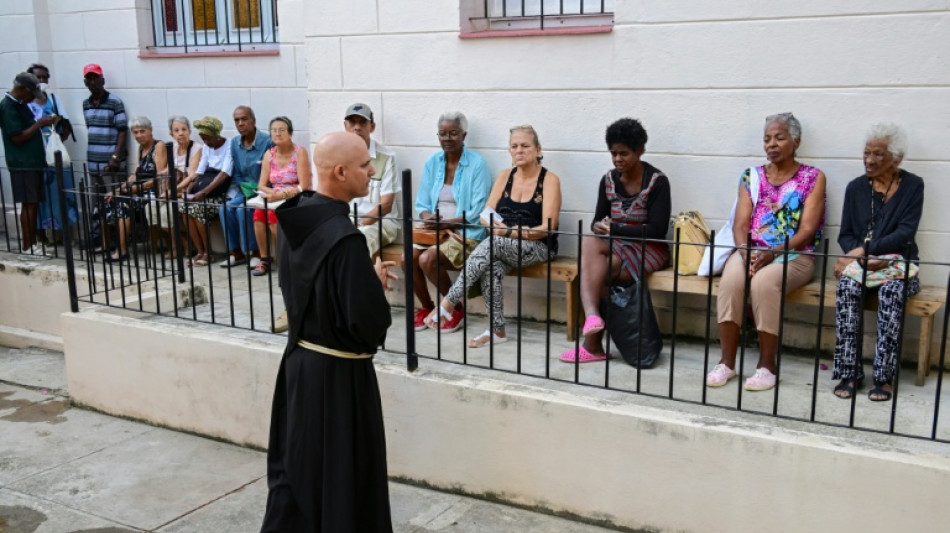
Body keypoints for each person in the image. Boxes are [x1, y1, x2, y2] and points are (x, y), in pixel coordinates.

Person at [260, 131, 397, 532]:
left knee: (303, 474)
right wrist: (371, 283)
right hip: (340, 380)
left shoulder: (293, 219)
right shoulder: (345, 240)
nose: (372, 172)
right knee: (342, 478)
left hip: (300, 365)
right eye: (364, 166)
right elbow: (367, 325)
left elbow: (306, 288)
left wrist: (359, 279)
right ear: (340, 172)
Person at [706, 113, 826, 392]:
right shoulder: (752, 176)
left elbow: (807, 230)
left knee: (763, 283)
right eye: (767, 139)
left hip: (796, 255)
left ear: (796, 141)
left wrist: (771, 254)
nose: (772, 144)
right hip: (751, 251)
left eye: (779, 137)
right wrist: (746, 252)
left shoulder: (813, 177)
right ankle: (726, 362)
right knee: (731, 281)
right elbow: (741, 224)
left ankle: (766, 366)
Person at [425, 125, 561, 348]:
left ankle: (449, 301)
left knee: (492, 243)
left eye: (525, 146)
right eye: (514, 146)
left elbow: (547, 227)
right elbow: (485, 214)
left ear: (538, 149)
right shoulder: (505, 176)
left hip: (538, 247)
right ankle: (496, 330)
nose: (519, 150)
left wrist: (506, 231)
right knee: (491, 266)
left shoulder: (549, 180)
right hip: (502, 245)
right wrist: (494, 226)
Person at [559, 118, 671, 363]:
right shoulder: (608, 180)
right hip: (617, 247)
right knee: (590, 242)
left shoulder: (657, 182)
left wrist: (616, 228)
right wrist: (599, 227)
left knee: (596, 273)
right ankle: (592, 318)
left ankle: (593, 344)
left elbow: (657, 230)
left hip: (649, 248)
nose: (618, 159)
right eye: (614, 153)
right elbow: (598, 220)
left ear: (639, 151)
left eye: (624, 153)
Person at [832, 124, 924, 402]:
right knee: (847, 288)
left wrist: (867, 252)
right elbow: (845, 234)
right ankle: (849, 373)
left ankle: (883, 378)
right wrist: (861, 257)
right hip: (862, 267)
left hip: (899, 265)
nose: (869, 160)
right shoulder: (855, 189)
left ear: (895, 160)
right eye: (866, 153)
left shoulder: (913, 186)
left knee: (892, 293)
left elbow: (905, 233)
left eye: (878, 154)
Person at [411, 111, 492, 332]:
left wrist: (447, 224)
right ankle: (427, 308)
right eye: (443, 134)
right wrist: (429, 218)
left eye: (453, 133)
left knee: (427, 259)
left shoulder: (477, 165)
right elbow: (422, 204)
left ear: (464, 135)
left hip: (467, 234)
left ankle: (454, 308)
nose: (447, 139)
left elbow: (478, 213)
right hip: (436, 232)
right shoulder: (433, 163)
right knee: (408, 257)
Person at [0, 72, 56, 254]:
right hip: (22, 163)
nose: (33, 98)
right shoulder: (8, 106)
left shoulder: (20, 103)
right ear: (22, 90)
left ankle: (32, 243)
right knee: (29, 203)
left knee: (33, 203)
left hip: (32, 162)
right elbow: (16, 137)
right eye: (31, 93)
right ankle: (28, 245)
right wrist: (39, 124)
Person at [101, 116, 168, 262]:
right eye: (135, 132)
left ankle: (122, 250)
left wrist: (137, 188)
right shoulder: (140, 149)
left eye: (142, 131)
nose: (138, 135)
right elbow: (135, 175)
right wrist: (118, 189)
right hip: (139, 190)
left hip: (153, 191)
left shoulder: (159, 146)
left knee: (123, 205)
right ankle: (108, 245)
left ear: (150, 130)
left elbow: (160, 178)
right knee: (107, 201)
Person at [251, 116, 311, 277]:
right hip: (275, 196)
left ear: (290, 133)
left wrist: (282, 195)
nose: (277, 134)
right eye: (274, 131)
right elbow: (261, 185)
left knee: (272, 216)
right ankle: (265, 259)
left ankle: (284, 259)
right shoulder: (269, 155)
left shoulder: (300, 153)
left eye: (282, 130)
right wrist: (273, 194)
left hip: (296, 196)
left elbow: (304, 185)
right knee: (258, 215)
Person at [26, 63, 77, 243]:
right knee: (39, 194)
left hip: (54, 152)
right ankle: (41, 235)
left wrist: (57, 141)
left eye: (44, 77)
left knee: (60, 192)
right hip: (34, 153)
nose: (42, 81)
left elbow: (67, 124)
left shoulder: (53, 99)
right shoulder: (25, 103)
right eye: (37, 77)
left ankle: (64, 234)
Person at [342, 102, 401, 257]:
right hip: (348, 221)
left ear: (372, 127)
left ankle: (359, 280)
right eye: (352, 122)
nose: (357, 127)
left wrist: (359, 224)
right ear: (345, 126)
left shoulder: (387, 157)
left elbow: (386, 205)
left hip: (382, 223)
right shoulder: (339, 156)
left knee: (359, 239)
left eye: (362, 122)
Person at [218, 105, 272, 269]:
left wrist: (257, 190)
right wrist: (244, 188)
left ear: (253, 121)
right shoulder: (235, 143)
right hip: (245, 190)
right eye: (237, 120)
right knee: (225, 208)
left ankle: (255, 253)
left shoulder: (267, 142)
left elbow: (271, 172)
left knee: (243, 210)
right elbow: (237, 172)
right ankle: (236, 252)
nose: (240, 123)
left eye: (244, 119)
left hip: (264, 190)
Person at [178, 116, 232, 266]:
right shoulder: (207, 147)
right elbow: (199, 172)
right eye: (202, 138)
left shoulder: (229, 146)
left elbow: (224, 173)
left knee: (198, 209)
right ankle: (200, 250)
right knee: (184, 208)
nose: (206, 142)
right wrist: (188, 190)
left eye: (207, 138)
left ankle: (209, 252)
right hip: (202, 189)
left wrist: (204, 193)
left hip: (218, 192)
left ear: (216, 135)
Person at [154, 116, 202, 257]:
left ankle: (180, 246)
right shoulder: (173, 148)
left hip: (186, 190)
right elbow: (167, 172)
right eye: (176, 130)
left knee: (168, 210)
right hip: (172, 190)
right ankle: (180, 242)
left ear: (189, 131)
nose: (181, 133)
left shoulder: (196, 148)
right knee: (150, 207)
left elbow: (192, 175)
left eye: (184, 129)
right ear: (171, 134)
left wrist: (172, 192)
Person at [81, 63, 127, 188]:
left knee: (115, 200)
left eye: (96, 78)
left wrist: (116, 157)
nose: (93, 82)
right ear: (85, 83)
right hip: (93, 162)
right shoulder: (86, 104)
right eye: (89, 79)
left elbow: (122, 131)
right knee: (97, 202)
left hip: (110, 164)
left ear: (103, 80)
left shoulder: (115, 102)